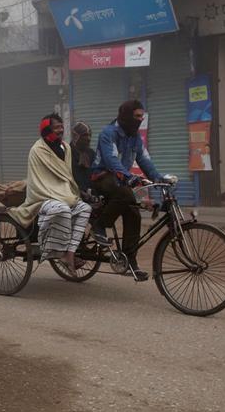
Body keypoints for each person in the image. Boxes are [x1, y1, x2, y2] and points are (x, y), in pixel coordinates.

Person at [90, 100, 164, 281]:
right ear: (127, 115)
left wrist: (158, 178)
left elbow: (144, 159)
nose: (140, 120)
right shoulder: (109, 133)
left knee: (134, 214)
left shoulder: (135, 137)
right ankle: (99, 226)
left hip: (120, 180)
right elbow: (111, 160)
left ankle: (130, 260)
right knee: (125, 194)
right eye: (137, 116)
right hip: (101, 177)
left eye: (142, 116)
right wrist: (128, 177)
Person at [9, 113, 92, 272]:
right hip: (43, 196)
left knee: (84, 209)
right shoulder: (37, 149)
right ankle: (55, 251)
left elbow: (66, 176)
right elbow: (42, 180)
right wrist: (62, 195)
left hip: (63, 194)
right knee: (62, 209)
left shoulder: (66, 148)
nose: (61, 130)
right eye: (56, 127)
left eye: (62, 127)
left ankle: (70, 253)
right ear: (47, 130)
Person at [70, 121, 95, 194]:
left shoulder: (91, 153)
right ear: (76, 136)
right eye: (85, 135)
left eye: (90, 135)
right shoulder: (67, 153)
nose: (89, 138)